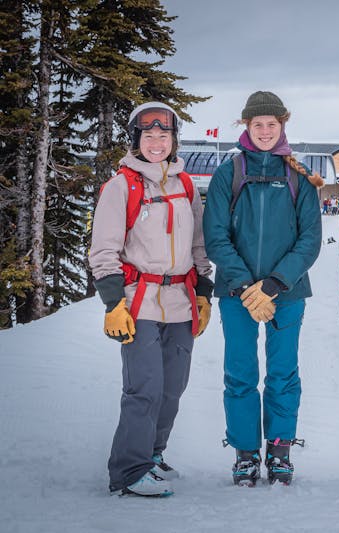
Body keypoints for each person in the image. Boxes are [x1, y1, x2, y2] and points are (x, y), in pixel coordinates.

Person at [90, 101, 214, 497]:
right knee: (144, 387)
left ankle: (153, 455)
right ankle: (128, 470)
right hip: (138, 301)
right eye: (149, 135)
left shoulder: (186, 185)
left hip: (180, 299)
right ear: (136, 140)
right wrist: (113, 303)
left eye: (164, 135)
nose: (157, 142)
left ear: (174, 140)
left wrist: (203, 293)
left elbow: (198, 244)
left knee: (172, 386)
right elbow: (103, 250)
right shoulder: (121, 186)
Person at [202, 91, 322, 487]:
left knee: (283, 373)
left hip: (285, 293)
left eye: (272, 124)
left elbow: (310, 239)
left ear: (282, 125)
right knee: (239, 373)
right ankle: (245, 454)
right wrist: (245, 284)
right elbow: (216, 235)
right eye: (258, 124)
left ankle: (280, 450)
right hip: (238, 295)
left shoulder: (298, 178)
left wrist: (273, 284)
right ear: (247, 127)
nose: (266, 130)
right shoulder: (228, 172)